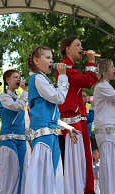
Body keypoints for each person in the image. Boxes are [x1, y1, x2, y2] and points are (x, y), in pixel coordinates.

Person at [24, 45, 78, 194]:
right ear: (36, 61)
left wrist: (68, 127)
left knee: (53, 176)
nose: (52, 61)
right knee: (44, 178)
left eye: (52, 58)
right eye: (47, 58)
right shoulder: (37, 78)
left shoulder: (43, 80)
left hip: (51, 135)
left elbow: (51, 116)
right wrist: (62, 76)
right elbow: (59, 98)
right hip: (43, 136)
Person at [56, 37, 98, 194]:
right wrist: (91, 61)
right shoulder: (65, 67)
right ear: (68, 49)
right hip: (72, 122)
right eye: (78, 45)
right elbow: (88, 81)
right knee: (77, 163)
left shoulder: (70, 67)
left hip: (78, 120)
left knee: (82, 161)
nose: (82, 48)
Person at [92, 59, 115, 194]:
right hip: (107, 133)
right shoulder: (101, 86)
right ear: (106, 70)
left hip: (112, 132)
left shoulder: (106, 86)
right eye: (112, 67)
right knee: (110, 169)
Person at [0, 69, 29, 194]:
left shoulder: (20, 98)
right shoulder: (4, 96)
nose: (19, 79)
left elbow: (24, 119)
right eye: (15, 77)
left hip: (21, 139)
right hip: (8, 138)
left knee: (22, 172)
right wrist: (25, 91)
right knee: (11, 173)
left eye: (19, 77)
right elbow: (18, 107)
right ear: (7, 80)